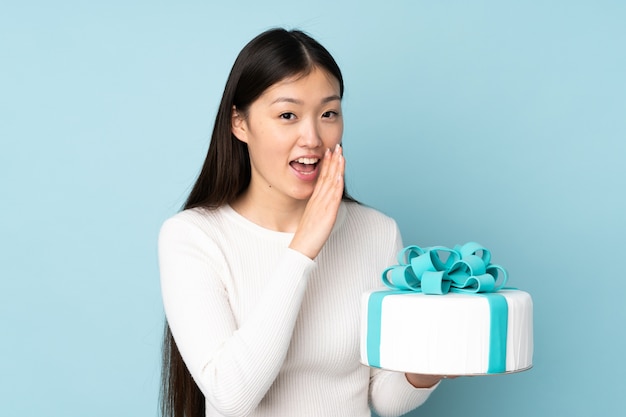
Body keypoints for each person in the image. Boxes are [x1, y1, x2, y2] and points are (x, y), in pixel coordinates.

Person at [158, 27, 443, 417]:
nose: (312, 138)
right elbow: (231, 397)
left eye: (328, 113)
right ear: (239, 123)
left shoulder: (377, 231)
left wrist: (431, 367)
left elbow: (384, 397)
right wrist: (304, 246)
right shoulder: (193, 237)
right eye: (287, 115)